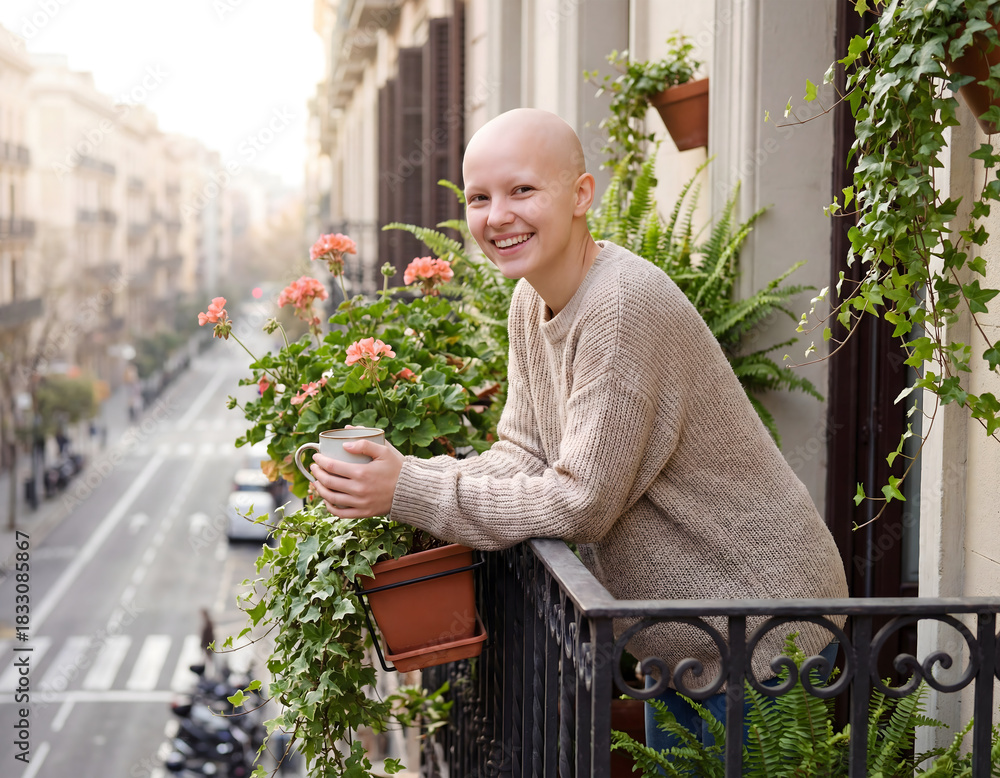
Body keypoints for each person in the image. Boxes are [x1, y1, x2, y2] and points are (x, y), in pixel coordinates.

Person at [308, 108, 849, 750]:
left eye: (522, 190)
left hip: (759, 628)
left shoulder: (619, 305)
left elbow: (580, 501)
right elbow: (524, 450)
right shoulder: (530, 300)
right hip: (684, 643)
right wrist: (405, 474)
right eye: (479, 197)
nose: (497, 215)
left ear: (581, 196)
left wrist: (409, 491)